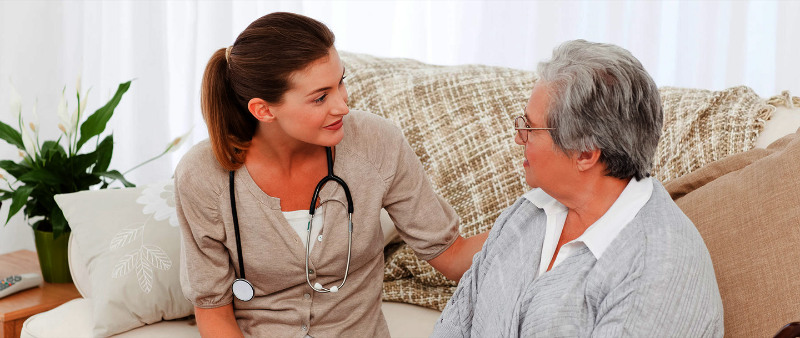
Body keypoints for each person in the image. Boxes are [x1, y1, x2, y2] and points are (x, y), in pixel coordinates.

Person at [174, 12, 488, 337]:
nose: (343, 106)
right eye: (321, 97)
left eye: (341, 82)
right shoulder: (202, 176)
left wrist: (537, 214)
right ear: (263, 110)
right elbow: (213, 311)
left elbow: (451, 255)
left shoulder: (377, 143)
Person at [431, 40, 724, 337]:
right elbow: (455, 324)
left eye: (529, 128)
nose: (519, 138)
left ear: (584, 153)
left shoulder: (658, 266)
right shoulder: (528, 213)